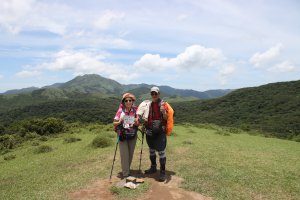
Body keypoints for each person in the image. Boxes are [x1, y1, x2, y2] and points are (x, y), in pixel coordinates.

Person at [139, 86, 174, 182]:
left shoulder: (163, 104)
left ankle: (162, 172)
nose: (154, 95)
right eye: (152, 93)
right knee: (151, 150)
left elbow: (167, 118)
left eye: (156, 93)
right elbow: (147, 117)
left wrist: (163, 112)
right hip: (149, 130)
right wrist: (144, 126)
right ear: (151, 94)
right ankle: (153, 167)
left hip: (160, 131)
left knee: (161, 151)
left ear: (159, 94)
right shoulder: (148, 105)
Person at [113, 93, 139, 178]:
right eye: (126, 100)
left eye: (130, 100)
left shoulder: (135, 110)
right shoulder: (120, 111)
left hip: (132, 134)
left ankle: (127, 170)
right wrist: (120, 121)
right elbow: (114, 123)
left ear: (132, 101)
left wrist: (136, 121)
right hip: (122, 134)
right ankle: (126, 173)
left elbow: (138, 123)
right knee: (124, 154)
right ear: (123, 102)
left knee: (130, 154)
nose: (128, 102)